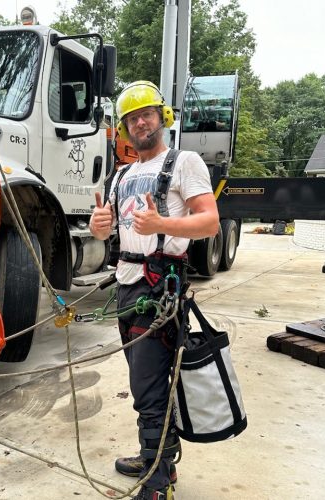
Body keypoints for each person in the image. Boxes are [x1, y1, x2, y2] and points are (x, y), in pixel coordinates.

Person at [89, 81, 219, 500]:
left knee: (146, 385)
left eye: (146, 114)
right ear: (125, 129)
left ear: (161, 118)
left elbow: (210, 222)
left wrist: (162, 225)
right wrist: (98, 227)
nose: (139, 123)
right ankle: (158, 458)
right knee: (145, 379)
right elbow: (112, 226)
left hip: (160, 287)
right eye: (130, 118)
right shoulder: (122, 173)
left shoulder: (185, 162)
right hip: (127, 287)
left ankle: (158, 481)